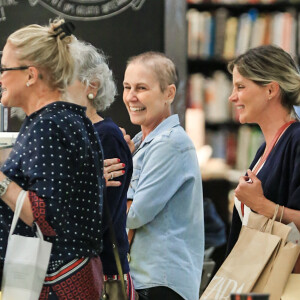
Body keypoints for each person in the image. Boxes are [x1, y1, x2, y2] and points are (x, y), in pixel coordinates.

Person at [0, 19, 105, 299]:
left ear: (31, 75)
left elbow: (45, 215)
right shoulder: (67, 119)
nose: (0, 78)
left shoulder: (48, 125)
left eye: (4, 69)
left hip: (55, 283)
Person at [123, 51, 204, 300]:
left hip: (161, 284)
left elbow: (134, 214)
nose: (131, 97)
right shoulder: (140, 142)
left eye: (141, 88)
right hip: (145, 279)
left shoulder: (170, 144)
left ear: (168, 94)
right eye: (127, 87)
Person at [67, 39, 135, 299]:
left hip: (102, 275)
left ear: (91, 86)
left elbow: (99, 219)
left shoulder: (105, 136)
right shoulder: (76, 134)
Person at [226, 45, 300, 269]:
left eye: (240, 87)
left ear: (270, 90)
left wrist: (261, 204)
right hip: (254, 278)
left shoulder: (296, 140)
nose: (232, 97)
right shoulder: (265, 149)